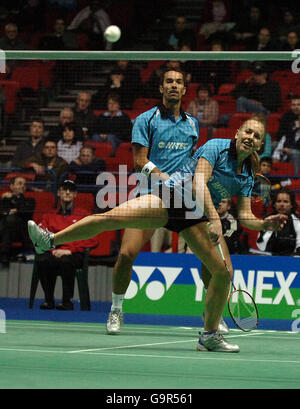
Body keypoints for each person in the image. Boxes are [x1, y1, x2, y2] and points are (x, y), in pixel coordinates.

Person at [28, 117, 287, 352]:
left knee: (221, 272)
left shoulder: (248, 175)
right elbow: (198, 182)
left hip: (193, 218)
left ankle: (209, 335)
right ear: (238, 132)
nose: (250, 137)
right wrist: (216, 218)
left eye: (256, 136)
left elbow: (245, 216)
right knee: (112, 217)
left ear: (260, 145)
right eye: (248, 131)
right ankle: (50, 240)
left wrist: (265, 224)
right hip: (172, 198)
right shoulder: (216, 147)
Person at [33, 179, 97, 310]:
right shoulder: (48, 216)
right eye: (64, 189)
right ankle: (48, 300)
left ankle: (67, 301)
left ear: (75, 194)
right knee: (42, 260)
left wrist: (71, 250)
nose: (67, 192)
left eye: (71, 190)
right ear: (58, 193)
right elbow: (40, 236)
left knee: (65, 261)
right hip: (53, 252)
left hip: (72, 254)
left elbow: (93, 238)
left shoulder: (84, 215)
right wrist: (52, 250)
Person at [0, 176, 35, 267]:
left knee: (10, 219)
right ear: (11, 186)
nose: (22, 186)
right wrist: (15, 209)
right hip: (3, 230)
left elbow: (26, 213)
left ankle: (4, 253)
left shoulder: (30, 200)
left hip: (20, 232)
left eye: (24, 184)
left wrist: (13, 198)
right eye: (19, 183)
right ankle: (4, 253)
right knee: (8, 221)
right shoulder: (4, 199)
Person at [257, 188, 300, 256]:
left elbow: (299, 246)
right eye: (278, 201)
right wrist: (271, 229)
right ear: (274, 204)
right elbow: (261, 246)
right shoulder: (267, 219)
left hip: (291, 259)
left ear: (291, 205)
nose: (282, 204)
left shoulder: (297, 220)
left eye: (285, 201)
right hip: (269, 259)